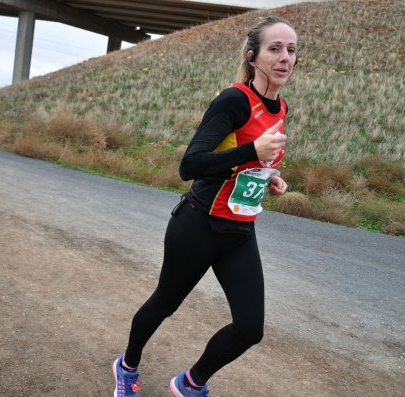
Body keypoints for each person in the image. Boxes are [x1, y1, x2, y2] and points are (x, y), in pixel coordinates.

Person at [113, 15, 298, 397]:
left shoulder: (281, 108)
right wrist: (253, 150)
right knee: (165, 304)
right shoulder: (234, 100)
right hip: (197, 225)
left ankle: (190, 383)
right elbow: (190, 165)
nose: (285, 57)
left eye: (291, 50)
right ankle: (127, 365)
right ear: (253, 56)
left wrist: (270, 175)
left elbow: (252, 161)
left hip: (239, 230)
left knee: (250, 328)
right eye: (275, 48)